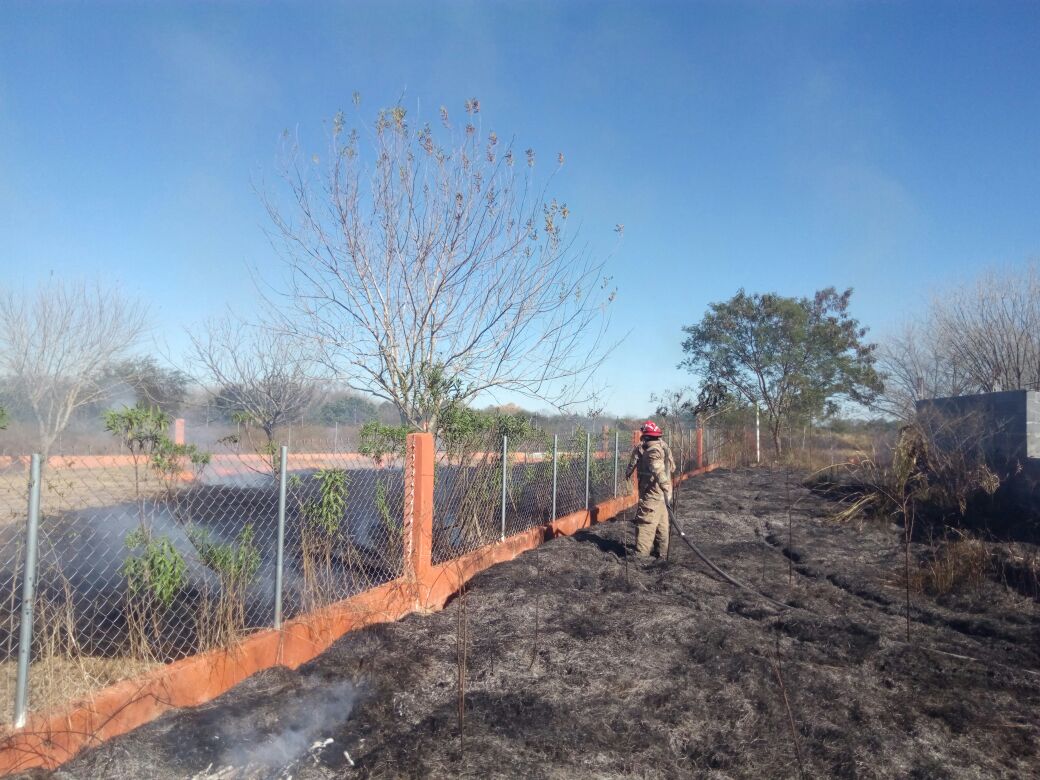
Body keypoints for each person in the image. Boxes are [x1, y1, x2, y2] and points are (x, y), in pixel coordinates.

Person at [624, 420, 675, 559]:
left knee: (645, 522)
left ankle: (641, 556)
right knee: (661, 523)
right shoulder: (664, 447)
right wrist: (667, 490)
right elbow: (672, 467)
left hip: (652, 494)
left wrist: (664, 485)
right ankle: (662, 553)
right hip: (664, 496)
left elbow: (657, 470)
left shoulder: (651, 451)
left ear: (645, 436)